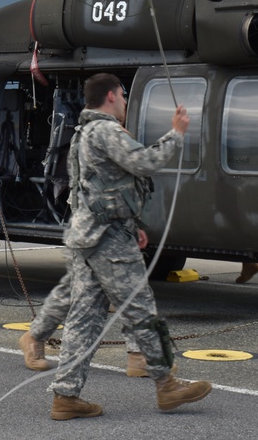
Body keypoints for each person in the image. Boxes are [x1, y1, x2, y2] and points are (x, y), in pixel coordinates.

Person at [47, 73, 211, 421]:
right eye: (123, 95)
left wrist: (131, 224)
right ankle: (167, 385)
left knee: (84, 317)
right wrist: (177, 132)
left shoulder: (81, 134)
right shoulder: (106, 131)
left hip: (88, 236)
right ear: (110, 96)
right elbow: (143, 163)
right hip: (108, 241)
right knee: (141, 310)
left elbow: (95, 188)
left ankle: (65, 396)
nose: (125, 102)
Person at [18, 226, 177, 378]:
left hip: (118, 219)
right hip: (92, 219)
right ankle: (36, 336)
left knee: (129, 284)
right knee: (82, 288)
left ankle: (139, 355)